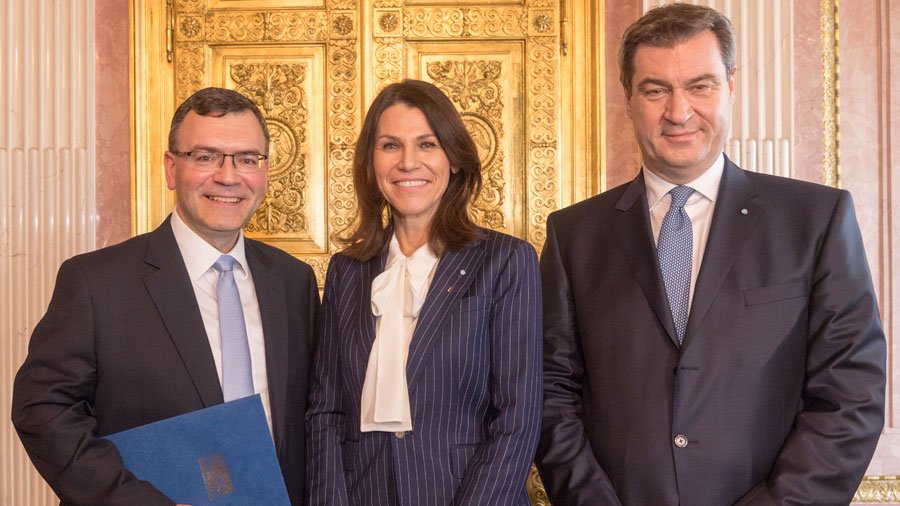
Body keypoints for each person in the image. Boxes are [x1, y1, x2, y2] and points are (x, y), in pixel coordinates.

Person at [535, 3, 886, 505]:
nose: (679, 112)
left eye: (700, 85)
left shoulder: (816, 220)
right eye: (656, 90)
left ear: (731, 85)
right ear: (628, 97)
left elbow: (851, 393)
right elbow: (551, 394)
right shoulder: (574, 235)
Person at [12, 87, 319, 505]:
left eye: (248, 158)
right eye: (206, 156)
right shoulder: (96, 281)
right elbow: (43, 410)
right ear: (172, 168)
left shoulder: (293, 281)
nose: (229, 176)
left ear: (265, 172)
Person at [305, 79, 542, 505]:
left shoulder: (506, 261)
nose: (408, 162)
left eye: (427, 144)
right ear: (371, 162)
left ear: (453, 159)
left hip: (466, 494)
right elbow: (326, 411)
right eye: (391, 146)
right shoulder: (347, 270)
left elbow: (517, 418)